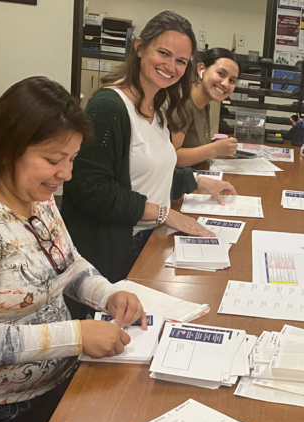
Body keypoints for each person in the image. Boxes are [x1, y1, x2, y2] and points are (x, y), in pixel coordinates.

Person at [0, 76, 147, 422]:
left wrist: (107, 294)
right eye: (53, 159)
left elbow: (67, 262)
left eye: (71, 159)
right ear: (7, 149)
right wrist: (76, 336)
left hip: (59, 388)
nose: (65, 174)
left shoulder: (38, 197)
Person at [61, 11, 237, 286]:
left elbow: (151, 169)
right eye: (163, 53)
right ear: (139, 47)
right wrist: (164, 213)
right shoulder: (108, 107)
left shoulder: (160, 106)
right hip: (116, 250)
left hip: (152, 237)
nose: (171, 66)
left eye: (180, 61)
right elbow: (91, 190)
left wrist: (197, 180)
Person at [172, 47, 240, 167]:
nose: (225, 84)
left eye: (232, 81)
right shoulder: (184, 103)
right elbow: (172, 157)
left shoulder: (205, 105)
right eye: (221, 74)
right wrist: (214, 148)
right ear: (201, 69)